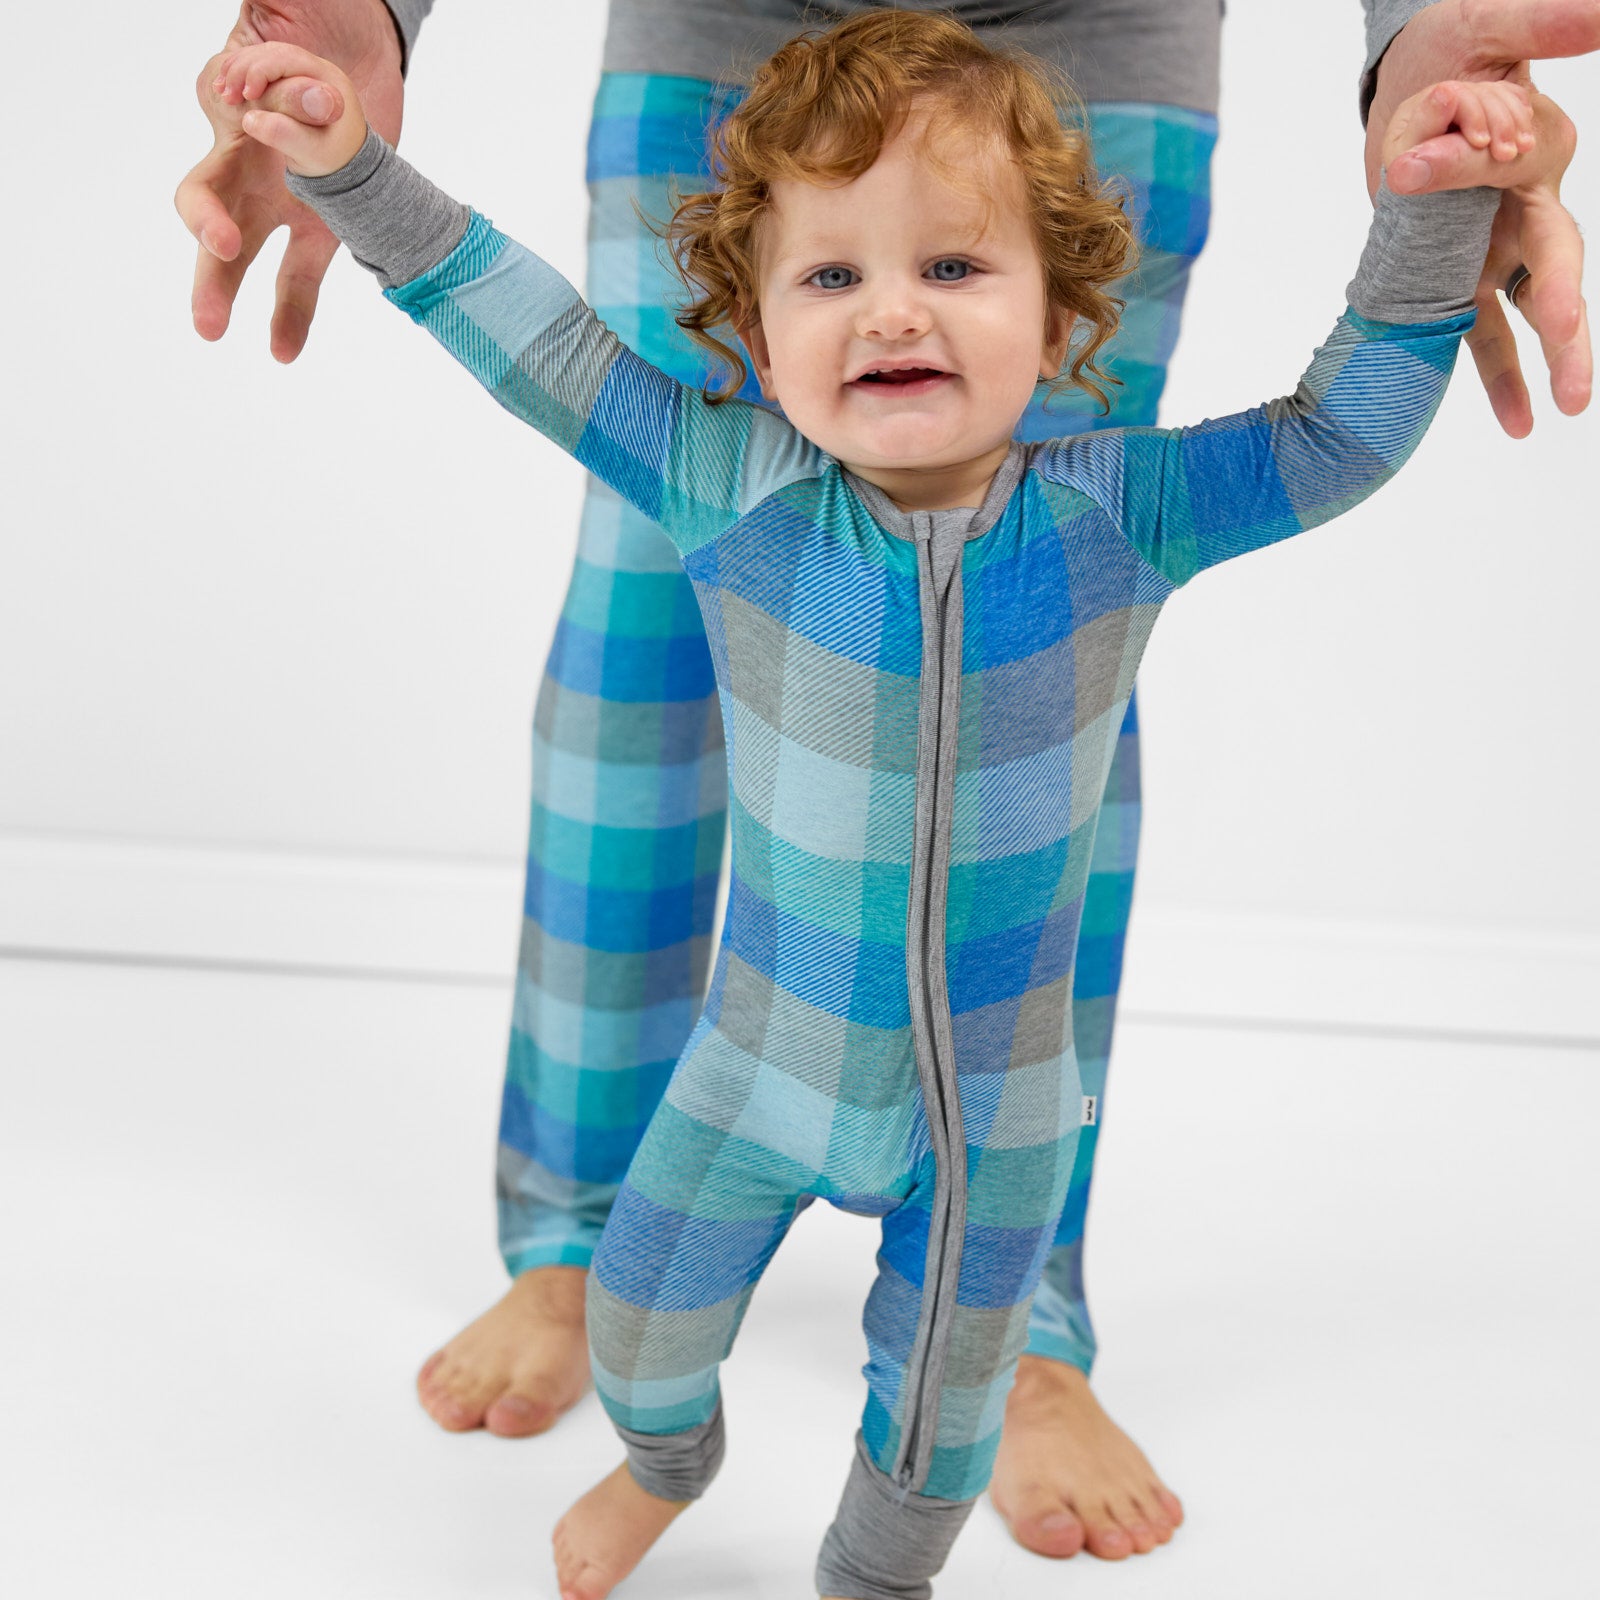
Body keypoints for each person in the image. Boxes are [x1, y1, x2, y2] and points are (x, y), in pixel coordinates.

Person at [175, 0, 1595, 1569]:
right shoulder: (725, 484)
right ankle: (663, 1455)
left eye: (956, 269)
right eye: (833, 278)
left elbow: (1343, 429)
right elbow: (530, 328)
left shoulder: (1127, 513)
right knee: (647, 1329)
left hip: (994, 1124)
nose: (890, 315)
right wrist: (356, 164)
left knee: (929, 1438)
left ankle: (883, 1551)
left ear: (1061, 330)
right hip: (751, 1081)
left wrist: (1431, 201)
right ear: (751, 333)